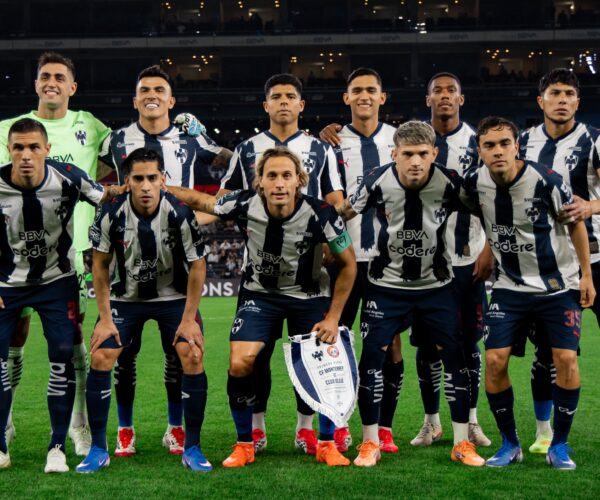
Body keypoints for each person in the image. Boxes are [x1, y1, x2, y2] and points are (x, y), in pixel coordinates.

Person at [167, 146, 356, 467]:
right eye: (272, 176)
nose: (279, 183)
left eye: (286, 175)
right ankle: (245, 443)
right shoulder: (244, 203)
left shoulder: (321, 213)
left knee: (324, 363)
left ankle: (326, 443)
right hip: (260, 296)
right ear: (260, 182)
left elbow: (348, 265)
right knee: (240, 362)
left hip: (309, 296)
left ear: (299, 180)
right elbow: (201, 201)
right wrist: (162, 186)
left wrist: (334, 317)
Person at [99, 64, 231, 456]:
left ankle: (176, 428)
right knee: (124, 358)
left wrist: (201, 217)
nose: (152, 95)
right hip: (129, 260)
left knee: (181, 354)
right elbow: (96, 179)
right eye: (145, 90)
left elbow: (235, 163)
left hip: (179, 264)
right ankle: (125, 430)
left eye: (159, 89)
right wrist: (108, 208)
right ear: (135, 99)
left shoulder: (191, 137)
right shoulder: (116, 140)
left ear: (171, 100)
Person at [339, 120, 485, 467]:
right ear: (395, 154)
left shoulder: (450, 181)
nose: (415, 161)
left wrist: (489, 251)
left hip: (436, 286)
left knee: (454, 357)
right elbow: (343, 212)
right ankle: (370, 442)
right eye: (407, 154)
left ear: (434, 153)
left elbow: (488, 210)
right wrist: (334, 248)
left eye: (422, 153)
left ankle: (462, 443)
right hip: (386, 286)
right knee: (372, 358)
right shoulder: (376, 179)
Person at [217, 74, 344, 455]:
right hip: (260, 273)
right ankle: (256, 430)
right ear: (266, 105)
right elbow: (224, 196)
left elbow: (334, 197)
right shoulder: (246, 148)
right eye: (276, 96)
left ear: (301, 105)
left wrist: (330, 236)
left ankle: (306, 430)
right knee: (257, 357)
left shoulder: (320, 149)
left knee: (311, 357)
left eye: (291, 96)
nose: (284, 102)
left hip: (309, 273)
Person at [464, 116, 594, 470]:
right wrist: (487, 251)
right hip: (509, 287)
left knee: (565, 359)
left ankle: (559, 445)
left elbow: (576, 224)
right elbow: (482, 216)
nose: (498, 151)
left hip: (557, 286)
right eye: (489, 145)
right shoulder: (474, 183)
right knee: (495, 360)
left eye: (504, 143)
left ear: (516, 146)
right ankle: (510, 443)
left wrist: (586, 275)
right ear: (480, 151)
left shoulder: (545, 180)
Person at [0, 52, 111, 454]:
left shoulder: (90, 125)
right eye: (44, 76)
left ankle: (79, 425)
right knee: (15, 336)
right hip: (14, 261)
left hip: (72, 256)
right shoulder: (7, 129)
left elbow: (115, 165)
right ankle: (5, 423)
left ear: (72, 86)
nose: (51, 82)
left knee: (72, 341)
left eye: (59, 77)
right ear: (35, 84)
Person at [76, 148, 210, 473]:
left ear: (162, 179)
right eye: (138, 179)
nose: (146, 185)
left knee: (191, 354)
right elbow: (100, 265)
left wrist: (189, 320)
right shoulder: (110, 213)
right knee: (102, 356)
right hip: (126, 299)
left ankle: (188, 443)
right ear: (127, 181)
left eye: (152, 177)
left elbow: (198, 264)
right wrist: (104, 319)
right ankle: (104, 445)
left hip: (174, 298)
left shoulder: (180, 212)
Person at [318, 67, 403, 453]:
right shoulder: (331, 144)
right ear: (346, 97)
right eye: (357, 90)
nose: (364, 96)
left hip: (390, 261)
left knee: (390, 345)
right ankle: (337, 424)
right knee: (333, 341)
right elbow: (328, 197)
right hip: (344, 259)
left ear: (382, 97)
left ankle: (384, 427)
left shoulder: (398, 140)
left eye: (372, 90)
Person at [519, 68, 600, 454]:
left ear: (578, 102)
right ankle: (544, 432)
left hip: (597, 257)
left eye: (569, 93)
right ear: (541, 101)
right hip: (548, 265)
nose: (562, 100)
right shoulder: (523, 142)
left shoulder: (594, 140)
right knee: (549, 353)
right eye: (555, 93)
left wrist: (591, 206)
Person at [409, 72, 492, 448]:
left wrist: (489, 249)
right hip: (425, 264)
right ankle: (431, 422)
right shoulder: (413, 141)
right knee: (427, 346)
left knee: (468, 344)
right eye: (437, 91)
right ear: (428, 99)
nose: (444, 96)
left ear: (461, 98)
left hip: (468, 259)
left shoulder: (478, 143)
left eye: (451, 91)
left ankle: (471, 420)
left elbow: (493, 196)